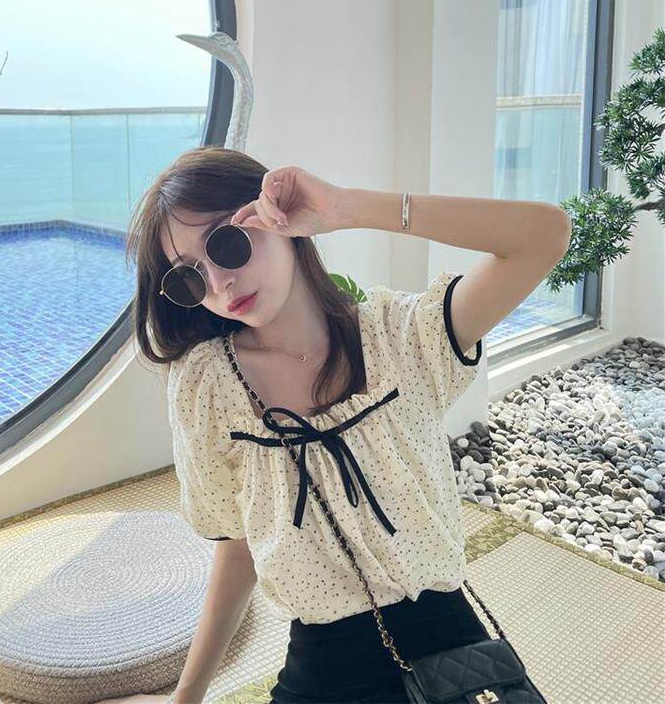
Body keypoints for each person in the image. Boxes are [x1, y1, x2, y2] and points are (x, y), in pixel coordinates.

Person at [108, 144, 570, 704]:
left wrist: (347, 207)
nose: (220, 283)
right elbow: (237, 546)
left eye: (225, 243)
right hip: (323, 666)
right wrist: (186, 697)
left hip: (451, 651)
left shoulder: (402, 336)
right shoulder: (207, 386)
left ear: (278, 218)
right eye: (190, 278)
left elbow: (544, 235)